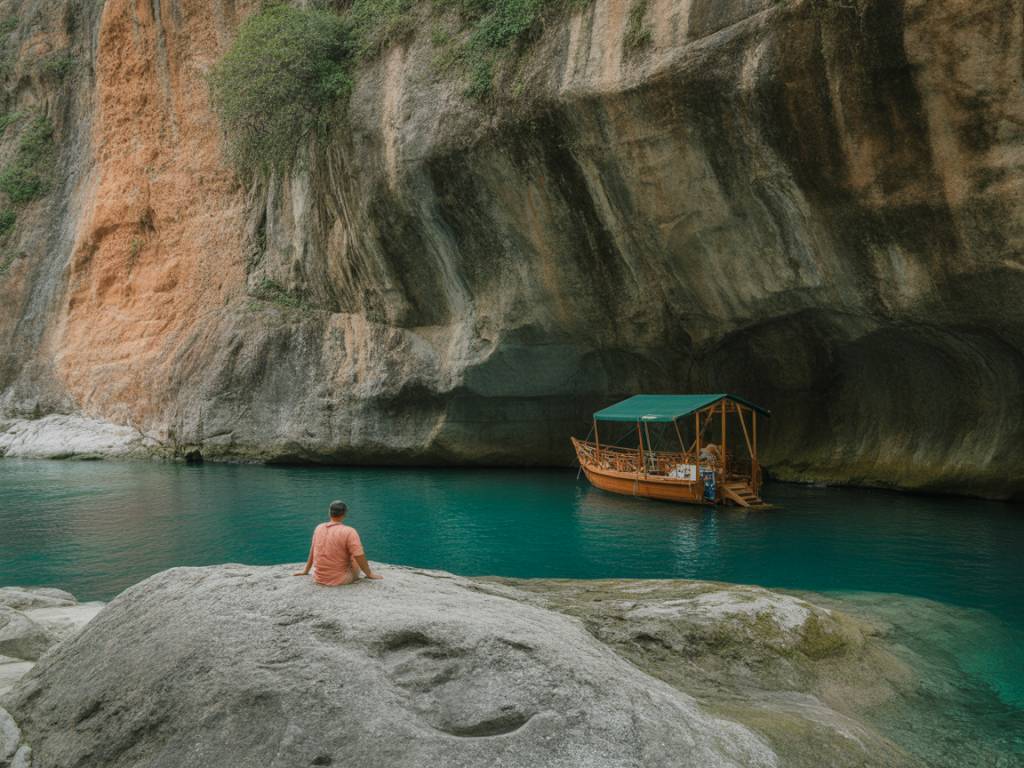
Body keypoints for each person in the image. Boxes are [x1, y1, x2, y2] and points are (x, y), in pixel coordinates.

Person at [293, 501, 382, 585]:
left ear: (329, 512)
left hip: (319, 578)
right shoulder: (349, 531)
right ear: (344, 514)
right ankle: (363, 572)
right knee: (355, 555)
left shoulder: (318, 528)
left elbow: (312, 551)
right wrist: (369, 574)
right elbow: (359, 555)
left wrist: (306, 571)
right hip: (341, 579)